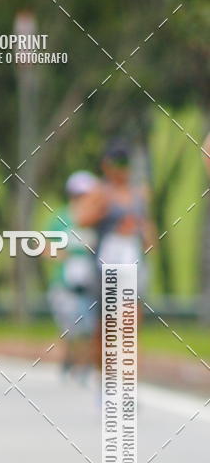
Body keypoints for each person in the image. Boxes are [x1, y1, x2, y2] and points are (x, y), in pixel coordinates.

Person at [74, 142, 155, 366]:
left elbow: (147, 226)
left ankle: (126, 364)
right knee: (106, 319)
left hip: (132, 260)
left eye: (124, 163)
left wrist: (144, 235)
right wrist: (104, 211)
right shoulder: (100, 192)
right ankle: (102, 365)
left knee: (131, 313)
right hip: (106, 262)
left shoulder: (139, 193)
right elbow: (81, 219)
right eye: (116, 163)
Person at [47, 171, 99, 379]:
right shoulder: (61, 219)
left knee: (89, 323)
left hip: (90, 279)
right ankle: (68, 358)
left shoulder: (97, 218)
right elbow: (45, 246)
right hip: (65, 281)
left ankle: (84, 364)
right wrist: (63, 255)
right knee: (70, 323)